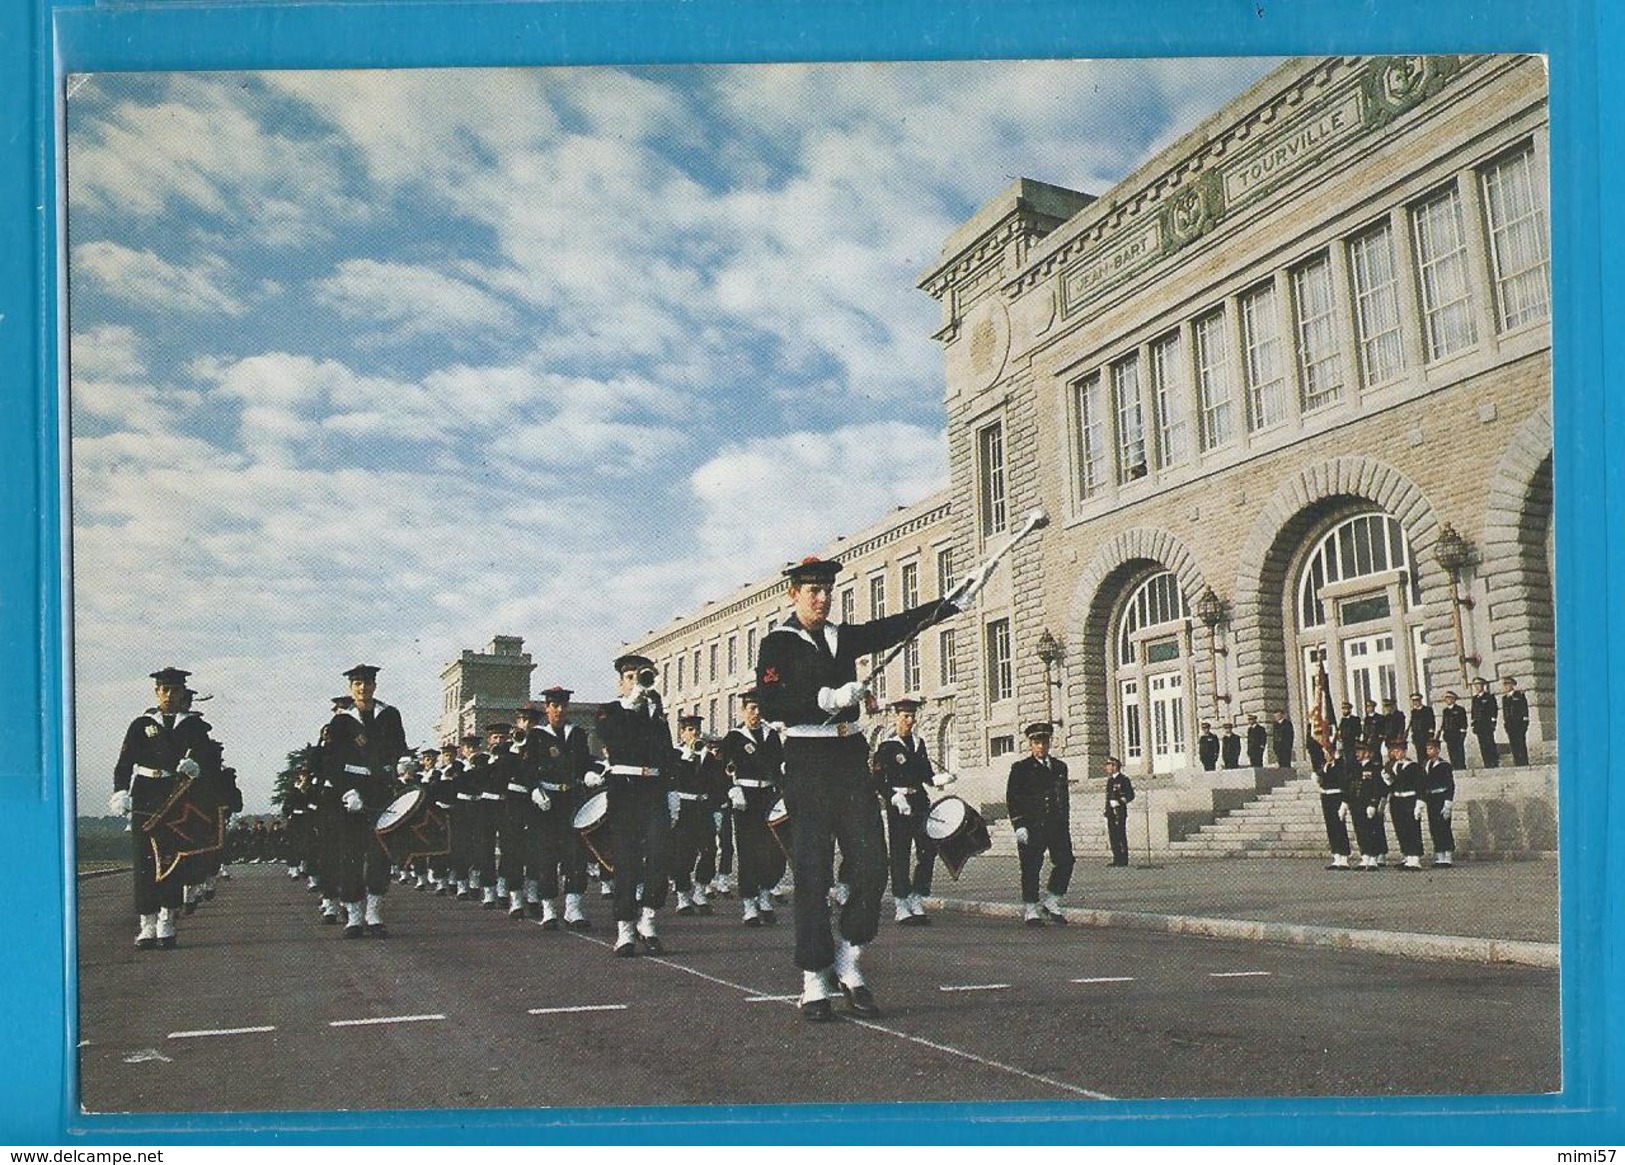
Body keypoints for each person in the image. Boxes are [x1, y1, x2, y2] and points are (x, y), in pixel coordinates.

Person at [754, 554, 971, 1021]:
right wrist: (825, 699)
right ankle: (814, 978)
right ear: (793, 594)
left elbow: (895, 627)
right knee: (813, 871)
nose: (821, 596)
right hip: (807, 762)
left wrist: (948, 605)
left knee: (871, 862)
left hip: (849, 760)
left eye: (827, 588)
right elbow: (773, 700)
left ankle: (850, 962)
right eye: (812, 589)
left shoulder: (841, 637)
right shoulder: (777, 644)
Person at [110, 667, 219, 950]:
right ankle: (147, 923)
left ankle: (167, 919)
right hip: (145, 793)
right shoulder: (140, 724)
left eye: (175, 690)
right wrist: (121, 791)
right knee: (144, 859)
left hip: (176, 795)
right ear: (156, 692)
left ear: (183, 693)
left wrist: (197, 766)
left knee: (171, 859)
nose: (170, 696)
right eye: (165, 690)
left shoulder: (195, 727)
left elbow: (207, 759)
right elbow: (124, 763)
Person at [595, 653, 679, 957]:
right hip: (625, 790)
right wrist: (632, 703)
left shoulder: (655, 712)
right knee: (627, 860)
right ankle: (625, 929)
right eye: (630, 678)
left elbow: (667, 751)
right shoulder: (610, 711)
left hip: (654, 789)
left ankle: (649, 919)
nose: (637, 683)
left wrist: (672, 789)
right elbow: (612, 739)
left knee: (660, 854)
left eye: (641, 677)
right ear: (621, 683)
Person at [321, 664, 410, 937]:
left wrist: (404, 763)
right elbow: (331, 762)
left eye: (368, 683)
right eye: (357, 683)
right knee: (349, 853)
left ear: (375, 685)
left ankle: (373, 912)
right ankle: (354, 916)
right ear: (351, 688)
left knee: (379, 852)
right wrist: (347, 791)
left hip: (380, 789)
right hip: (350, 793)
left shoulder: (389, 714)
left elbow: (399, 748)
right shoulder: (341, 721)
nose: (363, 688)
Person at [871, 697, 953, 924]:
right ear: (896, 717)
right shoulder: (887, 747)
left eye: (912, 716)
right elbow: (877, 780)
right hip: (899, 805)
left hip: (919, 802)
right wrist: (894, 797)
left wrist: (938, 779)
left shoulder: (919, 744)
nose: (910, 720)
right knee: (900, 854)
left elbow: (925, 774)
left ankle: (917, 895)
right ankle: (901, 902)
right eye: (906, 716)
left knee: (928, 850)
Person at [718, 688, 786, 927]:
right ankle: (749, 902)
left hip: (768, 795)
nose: (756, 714)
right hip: (744, 797)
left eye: (759, 708)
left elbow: (780, 767)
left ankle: (766, 895)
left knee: (774, 849)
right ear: (743, 711)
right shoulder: (734, 737)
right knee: (747, 850)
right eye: (751, 709)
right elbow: (723, 768)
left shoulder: (772, 735)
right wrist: (732, 789)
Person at [530, 686, 596, 930]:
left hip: (571, 800)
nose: (559, 710)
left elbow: (585, 761)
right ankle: (548, 907)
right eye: (554, 706)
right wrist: (535, 790)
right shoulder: (537, 736)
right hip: (548, 803)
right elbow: (527, 768)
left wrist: (590, 772)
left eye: (563, 706)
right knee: (547, 855)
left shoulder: (576, 734)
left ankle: (573, 907)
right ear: (546, 708)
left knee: (576, 855)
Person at [1006, 722, 1076, 925]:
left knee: (1066, 862)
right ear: (1030, 744)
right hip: (1032, 825)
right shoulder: (1021, 768)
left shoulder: (1060, 767)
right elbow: (1013, 797)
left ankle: (1052, 900)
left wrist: (1064, 821)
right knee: (1031, 867)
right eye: (1037, 743)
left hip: (1056, 825)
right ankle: (1031, 908)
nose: (1041, 747)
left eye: (1044, 742)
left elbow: (1063, 797)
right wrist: (1018, 824)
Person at [669, 715, 718, 917]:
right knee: (683, 853)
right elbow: (674, 780)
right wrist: (687, 758)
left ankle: (700, 891)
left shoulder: (709, 756)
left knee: (709, 850)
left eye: (696, 729)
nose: (694, 733)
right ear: (682, 733)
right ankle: (682, 897)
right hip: (684, 806)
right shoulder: (676, 755)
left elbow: (716, 782)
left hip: (703, 806)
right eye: (689, 729)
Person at [1383, 738, 1426, 870]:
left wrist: (1419, 803)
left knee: (1412, 828)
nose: (1397, 754)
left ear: (1405, 751)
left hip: (1410, 799)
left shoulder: (1414, 767)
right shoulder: (1392, 766)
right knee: (1401, 828)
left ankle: (1415, 858)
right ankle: (1407, 856)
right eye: (1394, 751)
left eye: (1399, 751)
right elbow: (1390, 785)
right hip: (1397, 800)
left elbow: (1420, 785)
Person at [1312, 735, 1353, 870]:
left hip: (1337, 796)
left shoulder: (1340, 765)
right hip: (1326, 797)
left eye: (1327, 752)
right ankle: (1336, 856)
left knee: (1339, 827)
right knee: (1331, 827)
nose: (1325, 755)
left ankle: (1344, 857)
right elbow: (1322, 778)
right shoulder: (1326, 766)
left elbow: (1346, 783)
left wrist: (1345, 803)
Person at [1348, 741, 1389, 870]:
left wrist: (1373, 803)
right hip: (1357, 804)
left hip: (1368, 804)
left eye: (1360, 751)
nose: (1357, 754)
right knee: (1360, 830)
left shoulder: (1374, 767)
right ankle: (1365, 856)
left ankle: (1373, 858)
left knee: (1372, 830)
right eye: (1356, 751)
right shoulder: (1355, 768)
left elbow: (1377, 787)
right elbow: (1352, 786)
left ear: (1368, 753)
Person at [1420, 737, 1457, 867]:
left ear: (1437, 750)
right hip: (1431, 799)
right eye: (1427, 749)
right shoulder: (1426, 765)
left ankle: (1447, 855)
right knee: (1434, 826)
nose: (1428, 751)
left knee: (1444, 826)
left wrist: (1448, 802)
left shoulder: (1444, 766)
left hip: (1441, 797)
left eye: (1431, 748)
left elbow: (1450, 785)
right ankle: (1439, 854)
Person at [1101, 755, 1134, 867]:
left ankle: (1123, 859)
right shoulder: (1110, 781)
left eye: (1108, 765)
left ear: (1114, 766)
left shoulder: (1124, 780)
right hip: (1111, 812)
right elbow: (1108, 796)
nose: (1106, 767)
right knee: (1113, 836)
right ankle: (1116, 857)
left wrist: (1120, 801)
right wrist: (1107, 809)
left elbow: (1130, 795)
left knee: (1120, 835)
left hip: (1119, 811)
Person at [1470, 678, 1500, 768]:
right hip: (1479, 725)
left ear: (1483, 685)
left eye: (1479, 684)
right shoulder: (1475, 699)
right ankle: (1486, 762)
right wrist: (1473, 723)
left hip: (1487, 724)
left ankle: (1494, 761)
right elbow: (1473, 712)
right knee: (1482, 744)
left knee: (1489, 742)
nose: (1477, 687)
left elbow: (1494, 710)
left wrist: (1493, 721)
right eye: (1475, 685)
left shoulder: (1489, 697)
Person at [1501, 677, 1530, 766]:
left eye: (1508, 684)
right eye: (1504, 685)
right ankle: (1517, 762)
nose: (1506, 687)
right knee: (1513, 744)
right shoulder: (1504, 698)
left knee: (1521, 742)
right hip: (1510, 724)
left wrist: (1525, 721)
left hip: (1519, 723)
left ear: (1512, 685)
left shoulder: (1519, 695)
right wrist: (1505, 723)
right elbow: (1505, 712)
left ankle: (1524, 762)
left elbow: (1524, 709)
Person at [1439, 691, 1469, 769]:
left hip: (1457, 733)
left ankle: (1461, 766)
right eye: (1446, 698)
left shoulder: (1459, 709)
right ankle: (1454, 765)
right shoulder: (1445, 711)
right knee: (1451, 751)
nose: (1447, 700)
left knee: (1459, 750)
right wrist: (1443, 732)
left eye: (1449, 698)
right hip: (1449, 734)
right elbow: (1444, 722)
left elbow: (1463, 721)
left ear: (1454, 699)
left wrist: (1463, 731)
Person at [1407, 694, 1436, 762]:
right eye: (1413, 701)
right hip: (1417, 735)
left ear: (1420, 700)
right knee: (1419, 752)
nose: (1415, 702)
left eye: (1417, 700)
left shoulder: (1427, 710)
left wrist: (1431, 732)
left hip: (1425, 734)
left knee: (1427, 752)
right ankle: (1421, 766)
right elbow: (1413, 723)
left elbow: (1431, 721)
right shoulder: (1413, 712)